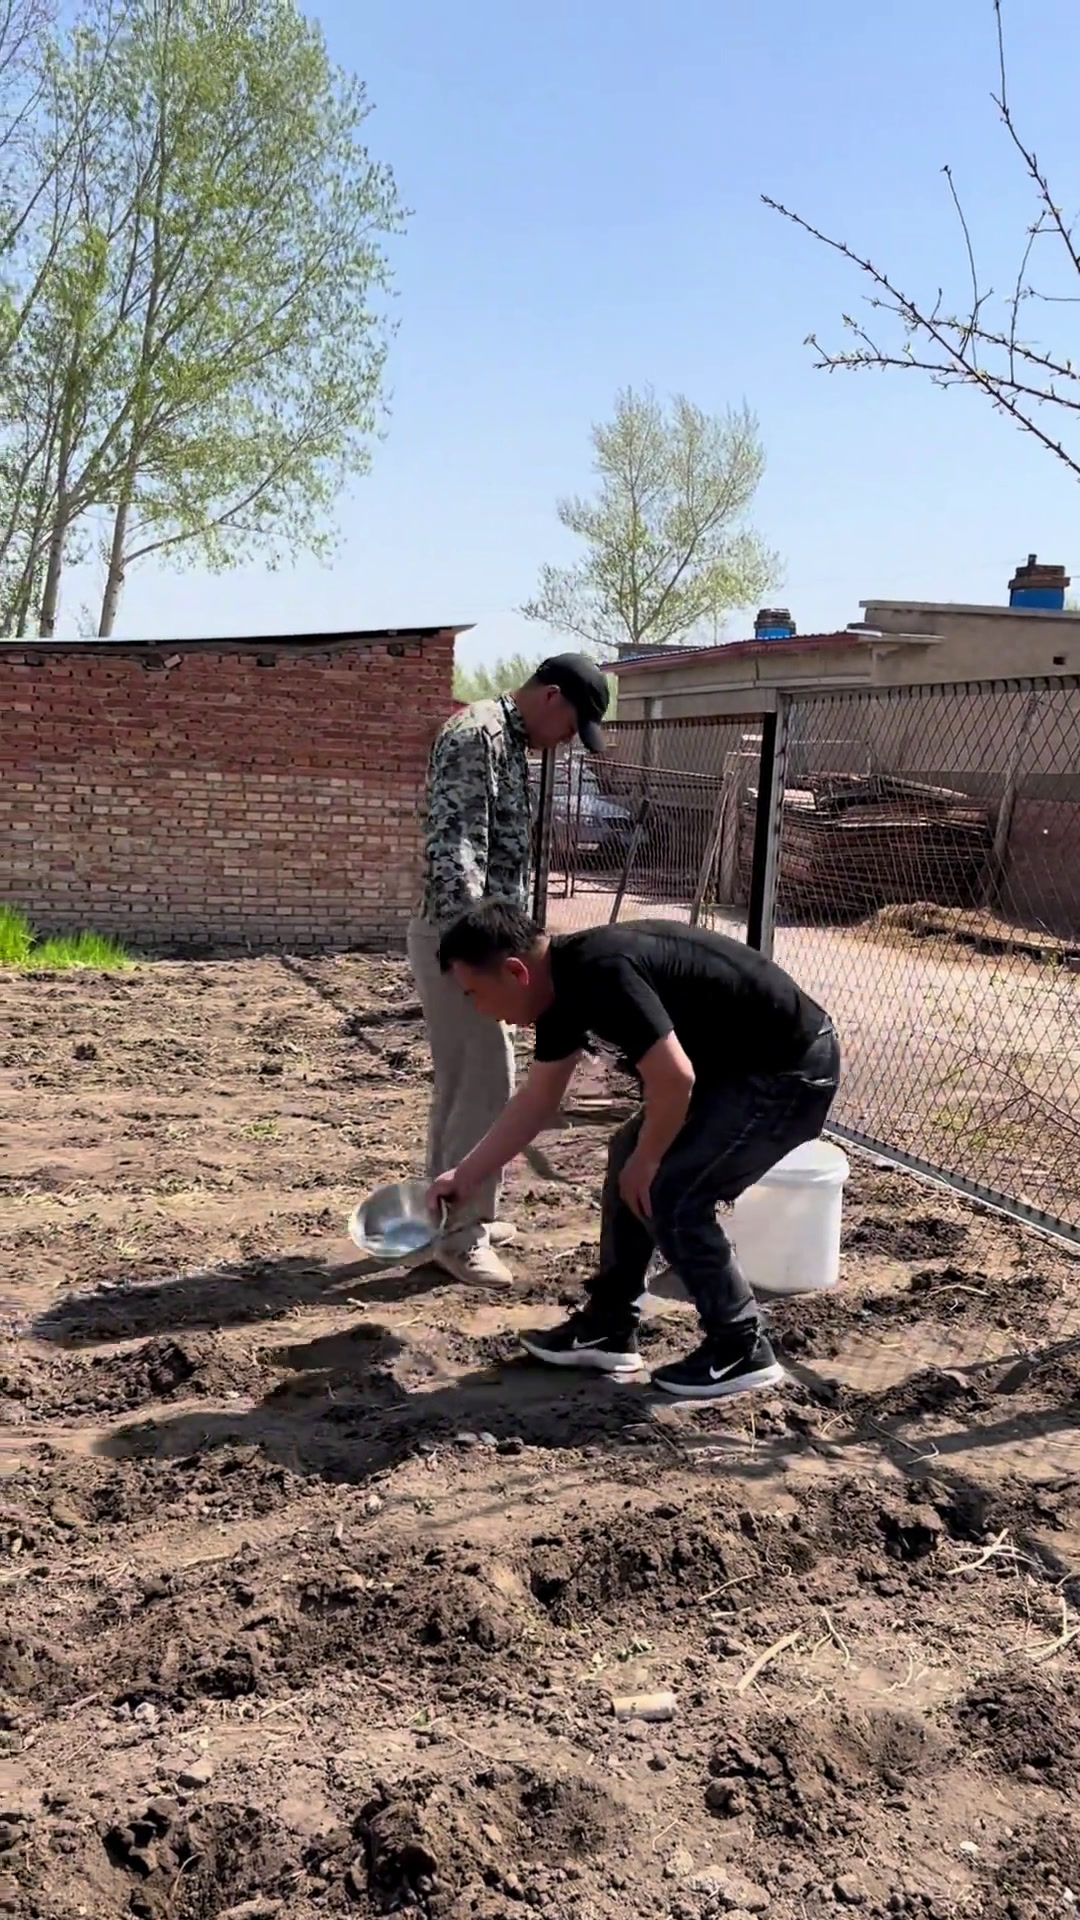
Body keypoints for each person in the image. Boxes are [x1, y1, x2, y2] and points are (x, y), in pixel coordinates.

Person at [427, 901, 840, 1399]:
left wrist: (649, 1161)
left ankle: (740, 1346)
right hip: (734, 1069)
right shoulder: (558, 990)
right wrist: (464, 1175)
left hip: (789, 1069)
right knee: (630, 1155)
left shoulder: (600, 973)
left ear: (516, 972)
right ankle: (609, 1324)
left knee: (668, 1187)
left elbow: (675, 1078)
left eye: (474, 993)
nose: (479, 1009)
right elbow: (537, 1102)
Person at [407, 656, 609, 1289]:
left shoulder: (507, 740)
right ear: (551, 697)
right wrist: (479, 958)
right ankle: (460, 1236)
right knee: (485, 1080)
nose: (569, 739)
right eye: (572, 724)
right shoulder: (478, 736)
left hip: (476, 944)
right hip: (466, 944)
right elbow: (457, 851)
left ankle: (453, 1214)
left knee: (469, 1083)